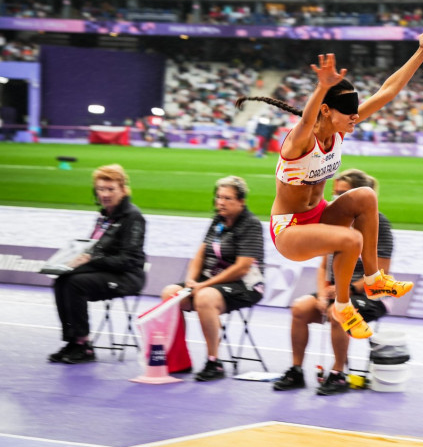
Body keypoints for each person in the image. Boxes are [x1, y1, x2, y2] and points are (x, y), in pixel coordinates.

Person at [235, 20, 423, 340]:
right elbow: (306, 119)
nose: (355, 117)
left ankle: (374, 278)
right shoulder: (299, 141)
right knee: (350, 240)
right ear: (326, 111)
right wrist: (321, 86)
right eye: (348, 113)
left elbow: (387, 91)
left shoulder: (340, 129)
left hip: (318, 215)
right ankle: (343, 306)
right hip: (290, 229)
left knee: (365, 196)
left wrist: (421, 51)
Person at [273, 169, 393, 396]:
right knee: (299, 308)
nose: (337, 199)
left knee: (339, 313)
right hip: (334, 290)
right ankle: (296, 370)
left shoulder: (378, 224)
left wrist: (343, 290)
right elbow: (323, 266)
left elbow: (381, 271)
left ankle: (338, 374)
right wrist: (321, 293)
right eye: (336, 193)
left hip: (366, 294)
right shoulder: (335, 220)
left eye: (343, 194)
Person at [161, 176, 265, 382]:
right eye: (218, 197)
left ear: (241, 201)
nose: (221, 202)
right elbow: (200, 254)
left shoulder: (251, 225)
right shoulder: (217, 221)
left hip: (244, 285)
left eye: (227, 198)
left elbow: (242, 267)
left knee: (205, 298)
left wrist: (203, 285)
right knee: (170, 293)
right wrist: (191, 281)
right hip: (209, 281)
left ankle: (213, 361)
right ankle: (178, 360)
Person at [48, 164, 146, 364]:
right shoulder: (104, 215)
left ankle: (84, 346)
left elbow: (128, 259)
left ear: (123, 189)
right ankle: (73, 341)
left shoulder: (133, 217)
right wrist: (75, 258)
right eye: (101, 189)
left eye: (111, 189)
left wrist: (92, 259)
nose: (105, 194)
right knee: (62, 280)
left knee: (75, 284)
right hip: (105, 271)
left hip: (127, 277)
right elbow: (93, 247)